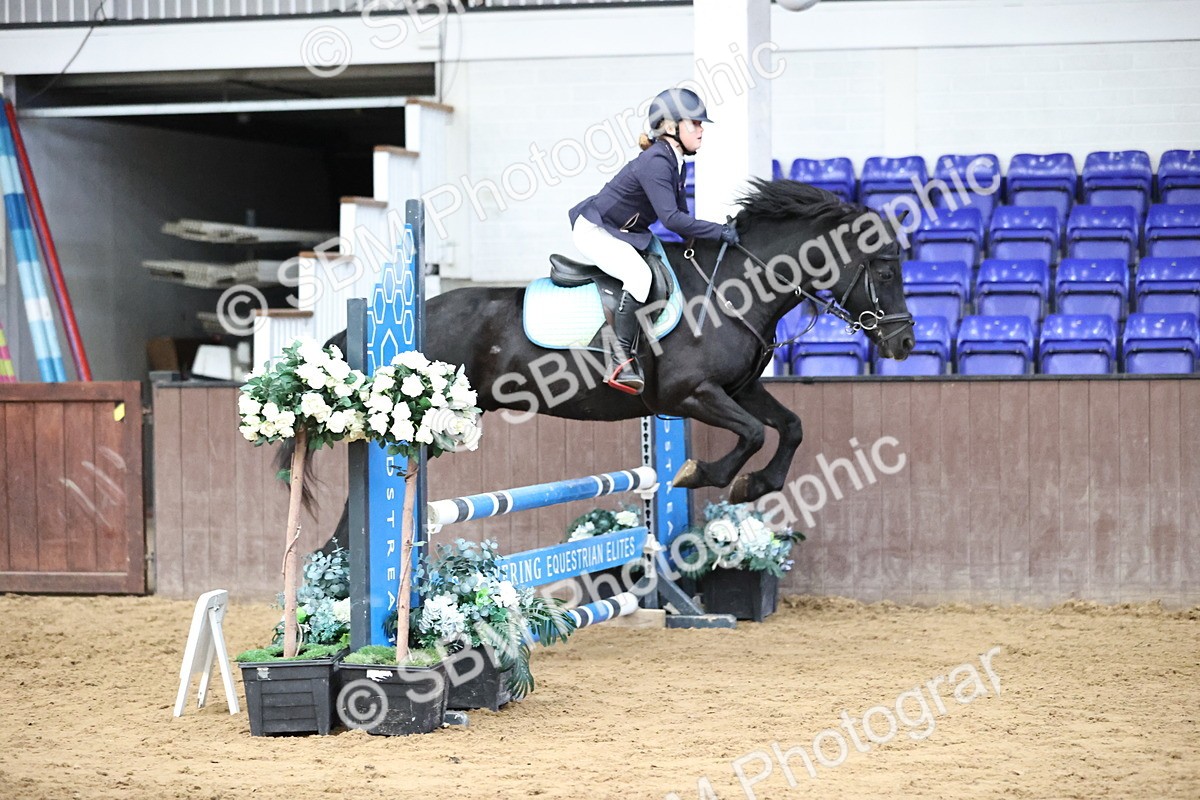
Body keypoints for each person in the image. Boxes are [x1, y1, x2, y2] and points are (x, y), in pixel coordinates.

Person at [568, 87, 740, 396]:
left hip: (622, 231)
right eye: (695, 124)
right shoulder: (658, 161)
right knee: (639, 275)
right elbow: (672, 219)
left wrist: (710, 242)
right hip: (595, 230)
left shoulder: (676, 161)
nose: (701, 130)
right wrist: (717, 231)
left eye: (701, 124)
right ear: (672, 126)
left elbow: (683, 216)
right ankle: (619, 360)